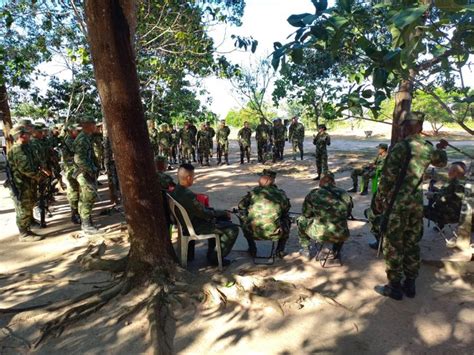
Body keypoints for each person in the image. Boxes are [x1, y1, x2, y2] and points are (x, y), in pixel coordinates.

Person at [373, 111, 447, 300]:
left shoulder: (400, 147)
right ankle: (410, 283)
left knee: (393, 244)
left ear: (409, 127)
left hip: (397, 205)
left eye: (405, 126)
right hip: (415, 204)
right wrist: (441, 148)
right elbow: (442, 162)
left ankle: (394, 286)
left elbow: (387, 179)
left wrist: (380, 199)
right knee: (412, 242)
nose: (403, 129)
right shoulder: (428, 147)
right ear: (421, 128)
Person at [170, 164, 239, 266]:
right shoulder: (187, 195)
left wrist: (219, 213)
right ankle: (215, 258)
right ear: (188, 177)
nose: (193, 179)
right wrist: (223, 213)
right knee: (232, 229)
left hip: (188, 223)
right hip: (196, 225)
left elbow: (200, 210)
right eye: (193, 176)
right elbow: (204, 214)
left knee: (221, 220)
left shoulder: (176, 190)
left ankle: (212, 253)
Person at [297, 172, 353, 260]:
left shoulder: (314, 194)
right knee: (340, 222)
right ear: (333, 182)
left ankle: (305, 249)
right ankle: (336, 250)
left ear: (321, 182)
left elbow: (306, 214)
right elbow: (348, 214)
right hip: (342, 234)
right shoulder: (344, 194)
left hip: (321, 234)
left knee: (301, 220)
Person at [7, 126, 49, 241]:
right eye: (27, 133)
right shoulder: (17, 149)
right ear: (21, 135)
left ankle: (28, 228)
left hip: (29, 183)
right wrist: (40, 177)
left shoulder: (26, 147)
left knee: (29, 205)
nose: (30, 135)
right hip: (21, 185)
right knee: (23, 208)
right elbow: (26, 169)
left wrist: (42, 170)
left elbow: (35, 161)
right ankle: (24, 234)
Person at [238, 169, 291, 258]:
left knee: (242, 218)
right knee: (287, 219)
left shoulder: (253, 193)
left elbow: (241, 206)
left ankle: (252, 248)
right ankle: (280, 251)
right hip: (275, 232)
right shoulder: (280, 194)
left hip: (252, 232)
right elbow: (286, 209)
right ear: (273, 182)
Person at [74, 116, 101, 235]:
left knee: (86, 197)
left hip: (87, 171)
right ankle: (86, 224)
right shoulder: (82, 139)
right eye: (93, 124)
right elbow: (79, 159)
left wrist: (95, 167)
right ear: (88, 125)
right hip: (84, 172)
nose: (95, 126)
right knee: (88, 196)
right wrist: (90, 170)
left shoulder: (87, 137)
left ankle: (86, 220)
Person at [424, 162, 466, 229]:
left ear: (455, 172)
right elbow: (449, 195)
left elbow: (443, 199)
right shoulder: (465, 182)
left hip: (449, 217)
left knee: (419, 209)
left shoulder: (453, 184)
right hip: (461, 215)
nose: (448, 172)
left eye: (449, 170)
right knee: (436, 192)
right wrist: (437, 191)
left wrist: (432, 195)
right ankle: (440, 227)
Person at [61, 122, 82, 224]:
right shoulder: (69, 140)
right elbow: (76, 150)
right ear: (70, 131)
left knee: (79, 191)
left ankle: (78, 212)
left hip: (76, 168)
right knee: (73, 191)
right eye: (77, 131)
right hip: (71, 170)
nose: (79, 132)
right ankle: (74, 213)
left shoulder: (74, 139)